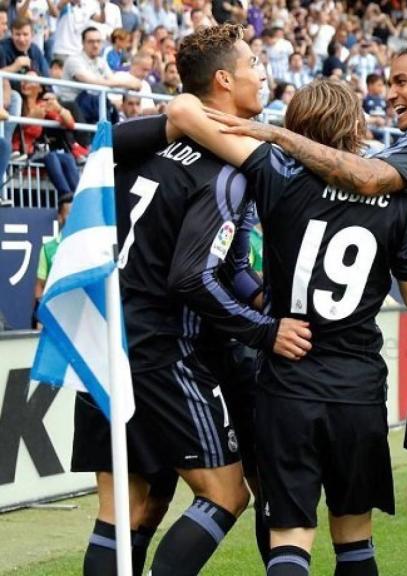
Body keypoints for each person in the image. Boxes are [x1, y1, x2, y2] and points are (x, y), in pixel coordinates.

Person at [211, 42, 407, 576]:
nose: (390, 93)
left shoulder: (291, 175)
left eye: (401, 80)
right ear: (353, 126)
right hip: (398, 370)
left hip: (338, 366)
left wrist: (275, 135)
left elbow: (363, 177)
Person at [159, 77, 407, 576]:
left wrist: (272, 135)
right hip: (358, 385)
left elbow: (184, 112)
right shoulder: (396, 197)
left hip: (289, 378)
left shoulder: (276, 172)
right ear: (356, 125)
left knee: (289, 535)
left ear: (294, 127)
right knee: (355, 535)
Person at [80, 24, 310, 576]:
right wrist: (266, 330)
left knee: (130, 508)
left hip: (105, 338)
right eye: (253, 64)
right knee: (227, 493)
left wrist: (260, 295)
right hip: (162, 349)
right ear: (225, 80)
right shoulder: (226, 171)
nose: (262, 74)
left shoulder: (142, 144)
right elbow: (191, 278)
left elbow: (230, 264)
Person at [34, 194, 72, 328]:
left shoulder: (87, 247)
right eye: (69, 214)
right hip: (55, 315)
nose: (73, 218)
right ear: (60, 218)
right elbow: (40, 284)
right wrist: (40, 318)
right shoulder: (48, 249)